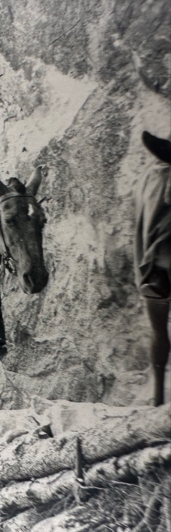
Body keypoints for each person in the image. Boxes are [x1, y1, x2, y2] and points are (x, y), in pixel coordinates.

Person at [136, 131, 171, 407]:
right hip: (159, 262)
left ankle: (158, 399)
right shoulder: (159, 176)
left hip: (153, 268)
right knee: (158, 332)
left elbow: (144, 225)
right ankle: (158, 400)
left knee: (158, 331)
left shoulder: (152, 176)